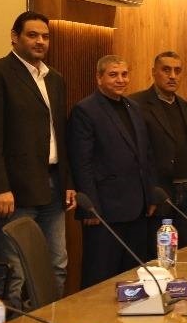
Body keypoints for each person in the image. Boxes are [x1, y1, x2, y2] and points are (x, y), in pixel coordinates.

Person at [0, 11, 75, 307]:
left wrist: (68, 182)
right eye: (32, 35)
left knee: (56, 266)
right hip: (13, 191)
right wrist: (0, 187)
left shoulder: (55, 79)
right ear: (14, 37)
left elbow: (59, 134)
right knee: (14, 274)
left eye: (45, 36)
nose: (40, 41)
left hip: (53, 186)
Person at [68, 55, 158, 287]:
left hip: (137, 208)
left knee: (133, 276)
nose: (120, 80)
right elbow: (81, 162)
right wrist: (90, 208)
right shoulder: (85, 110)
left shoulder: (133, 107)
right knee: (100, 277)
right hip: (104, 210)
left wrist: (149, 195)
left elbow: (146, 155)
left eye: (124, 74)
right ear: (99, 78)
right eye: (113, 75)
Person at [131, 51, 187, 250]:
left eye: (177, 71)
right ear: (154, 72)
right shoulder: (136, 104)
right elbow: (137, 154)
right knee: (158, 255)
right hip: (158, 195)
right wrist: (149, 192)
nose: (172, 76)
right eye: (166, 70)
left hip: (186, 193)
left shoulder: (185, 105)